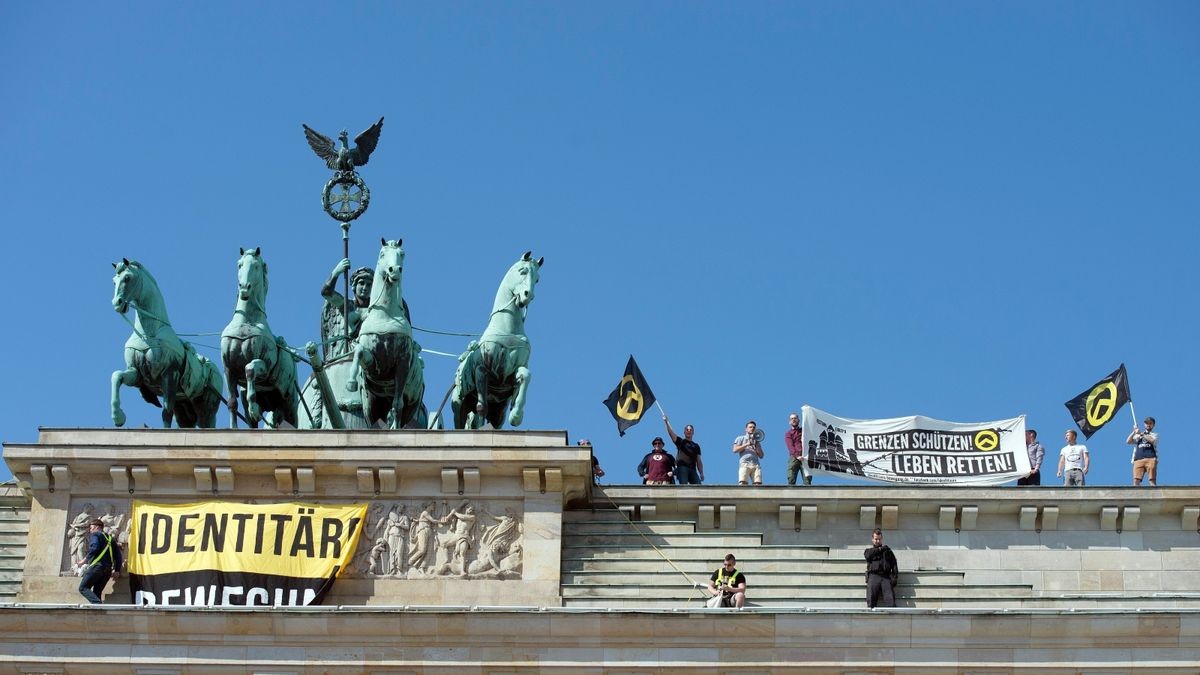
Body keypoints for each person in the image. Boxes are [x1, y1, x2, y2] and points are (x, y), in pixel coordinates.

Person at [320, 258, 375, 359]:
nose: (365, 287)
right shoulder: (346, 306)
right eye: (361, 283)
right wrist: (336, 272)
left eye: (369, 284)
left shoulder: (376, 309)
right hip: (348, 354)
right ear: (354, 286)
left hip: (369, 354)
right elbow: (326, 292)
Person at [78, 518, 122, 604]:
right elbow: (118, 556)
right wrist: (117, 570)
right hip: (107, 571)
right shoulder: (111, 539)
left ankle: (98, 605)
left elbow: (95, 547)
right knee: (97, 592)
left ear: (97, 527)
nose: (90, 531)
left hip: (97, 567)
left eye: (91, 528)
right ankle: (98, 611)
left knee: (83, 588)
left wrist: (84, 560)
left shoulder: (96, 535)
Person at [663, 416, 704, 485]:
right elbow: (671, 434)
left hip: (693, 470)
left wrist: (701, 473)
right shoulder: (681, 441)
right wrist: (666, 422)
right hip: (682, 468)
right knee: (684, 487)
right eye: (687, 430)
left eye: (690, 430)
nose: (689, 431)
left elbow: (699, 461)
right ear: (684, 432)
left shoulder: (696, 446)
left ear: (693, 432)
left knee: (699, 487)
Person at [864, 528, 898, 609]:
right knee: (871, 599)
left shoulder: (887, 551)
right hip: (873, 576)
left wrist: (894, 577)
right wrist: (880, 549)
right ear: (872, 539)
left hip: (885, 577)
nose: (877, 541)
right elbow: (868, 556)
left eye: (879, 539)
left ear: (881, 539)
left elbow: (894, 564)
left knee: (890, 600)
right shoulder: (869, 551)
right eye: (876, 539)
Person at [1127, 417, 1159, 486]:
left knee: (1152, 480)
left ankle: (1154, 494)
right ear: (1144, 424)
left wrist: (1141, 434)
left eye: (1150, 423)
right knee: (1136, 480)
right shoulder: (1138, 435)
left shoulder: (1154, 434)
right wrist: (1134, 432)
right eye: (1147, 423)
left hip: (1150, 458)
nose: (1148, 425)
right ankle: (1136, 495)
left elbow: (1153, 441)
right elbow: (1128, 441)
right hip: (1138, 459)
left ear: (1153, 425)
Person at [784, 412, 812, 485]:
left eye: (795, 418)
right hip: (794, 456)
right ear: (789, 422)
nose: (793, 420)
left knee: (807, 478)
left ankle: (808, 494)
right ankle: (791, 493)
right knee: (791, 477)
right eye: (792, 419)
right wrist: (797, 456)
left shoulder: (804, 431)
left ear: (798, 420)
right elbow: (790, 446)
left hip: (805, 456)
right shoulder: (789, 433)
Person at [732, 421, 764, 485]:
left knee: (758, 484)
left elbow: (761, 456)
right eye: (750, 427)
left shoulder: (757, 441)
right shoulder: (740, 438)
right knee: (743, 482)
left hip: (755, 464)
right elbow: (735, 450)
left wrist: (756, 444)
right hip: (745, 463)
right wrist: (747, 444)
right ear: (746, 429)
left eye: (754, 427)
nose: (752, 428)